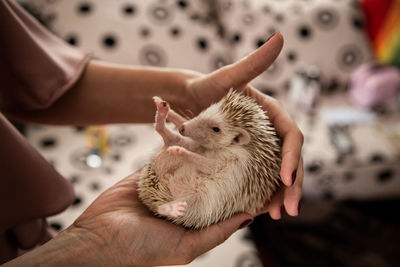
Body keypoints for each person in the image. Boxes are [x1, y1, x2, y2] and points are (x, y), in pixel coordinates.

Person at [0, 0, 303, 265]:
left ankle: (168, 206)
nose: (194, 124)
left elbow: (32, 82)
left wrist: (186, 92)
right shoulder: (227, 143)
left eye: (212, 126)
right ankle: (166, 204)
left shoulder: (235, 155)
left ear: (239, 140)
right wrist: (89, 247)